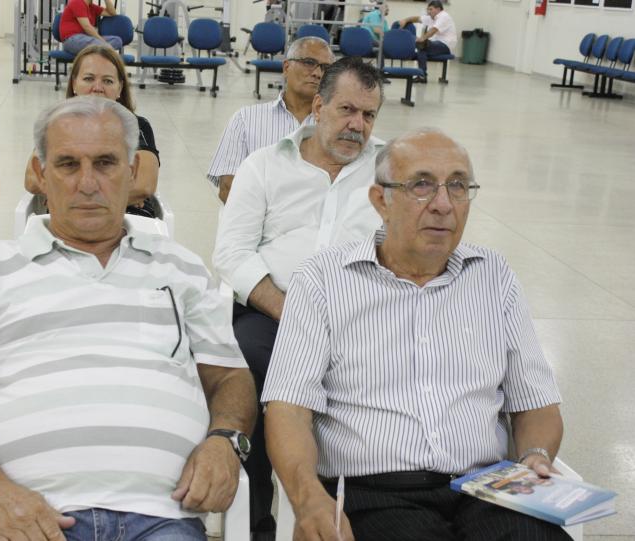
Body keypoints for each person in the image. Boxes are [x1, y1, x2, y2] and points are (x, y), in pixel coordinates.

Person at [0, 96, 258, 541]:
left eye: (105, 163)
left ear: (132, 171)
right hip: (27, 519)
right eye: (68, 164)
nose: (88, 183)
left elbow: (229, 377)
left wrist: (226, 440)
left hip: (161, 515)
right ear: (40, 174)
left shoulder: (181, 267)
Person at [262, 127, 569, 541]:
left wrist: (535, 455)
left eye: (458, 186)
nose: (444, 205)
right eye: (421, 185)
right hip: (374, 493)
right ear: (380, 201)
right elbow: (289, 410)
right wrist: (308, 498)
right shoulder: (323, 280)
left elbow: (537, 404)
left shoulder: (493, 276)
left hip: (487, 489)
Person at [212, 56, 385, 541]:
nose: (357, 125)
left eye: (369, 115)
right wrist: (291, 312)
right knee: (247, 370)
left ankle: (361, 511)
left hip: (364, 315)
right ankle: (256, 524)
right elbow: (232, 253)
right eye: (347, 110)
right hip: (274, 310)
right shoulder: (265, 165)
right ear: (318, 107)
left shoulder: (390, 169)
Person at [24, 44, 160, 218]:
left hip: (129, 219)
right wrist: (123, 194)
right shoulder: (57, 125)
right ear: (74, 83)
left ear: (119, 88)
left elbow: (144, 184)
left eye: (107, 81)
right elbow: (32, 179)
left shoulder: (137, 125)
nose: (97, 87)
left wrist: (63, 194)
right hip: (69, 222)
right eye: (89, 79)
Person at [206, 37, 334, 202]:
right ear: (286, 67)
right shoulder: (246, 120)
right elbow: (228, 188)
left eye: (325, 68)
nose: (317, 73)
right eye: (309, 63)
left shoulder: (336, 127)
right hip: (255, 218)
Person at [399, 0, 457, 83]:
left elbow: (433, 30)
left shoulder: (444, 16)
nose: (428, 11)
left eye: (431, 9)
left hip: (446, 45)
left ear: (438, 9)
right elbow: (417, 18)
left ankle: (422, 75)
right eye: (428, 9)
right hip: (435, 43)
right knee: (422, 48)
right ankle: (422, 75)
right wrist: (405, 20)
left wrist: (422, 38)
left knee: (422, 45)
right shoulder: (431, 17)